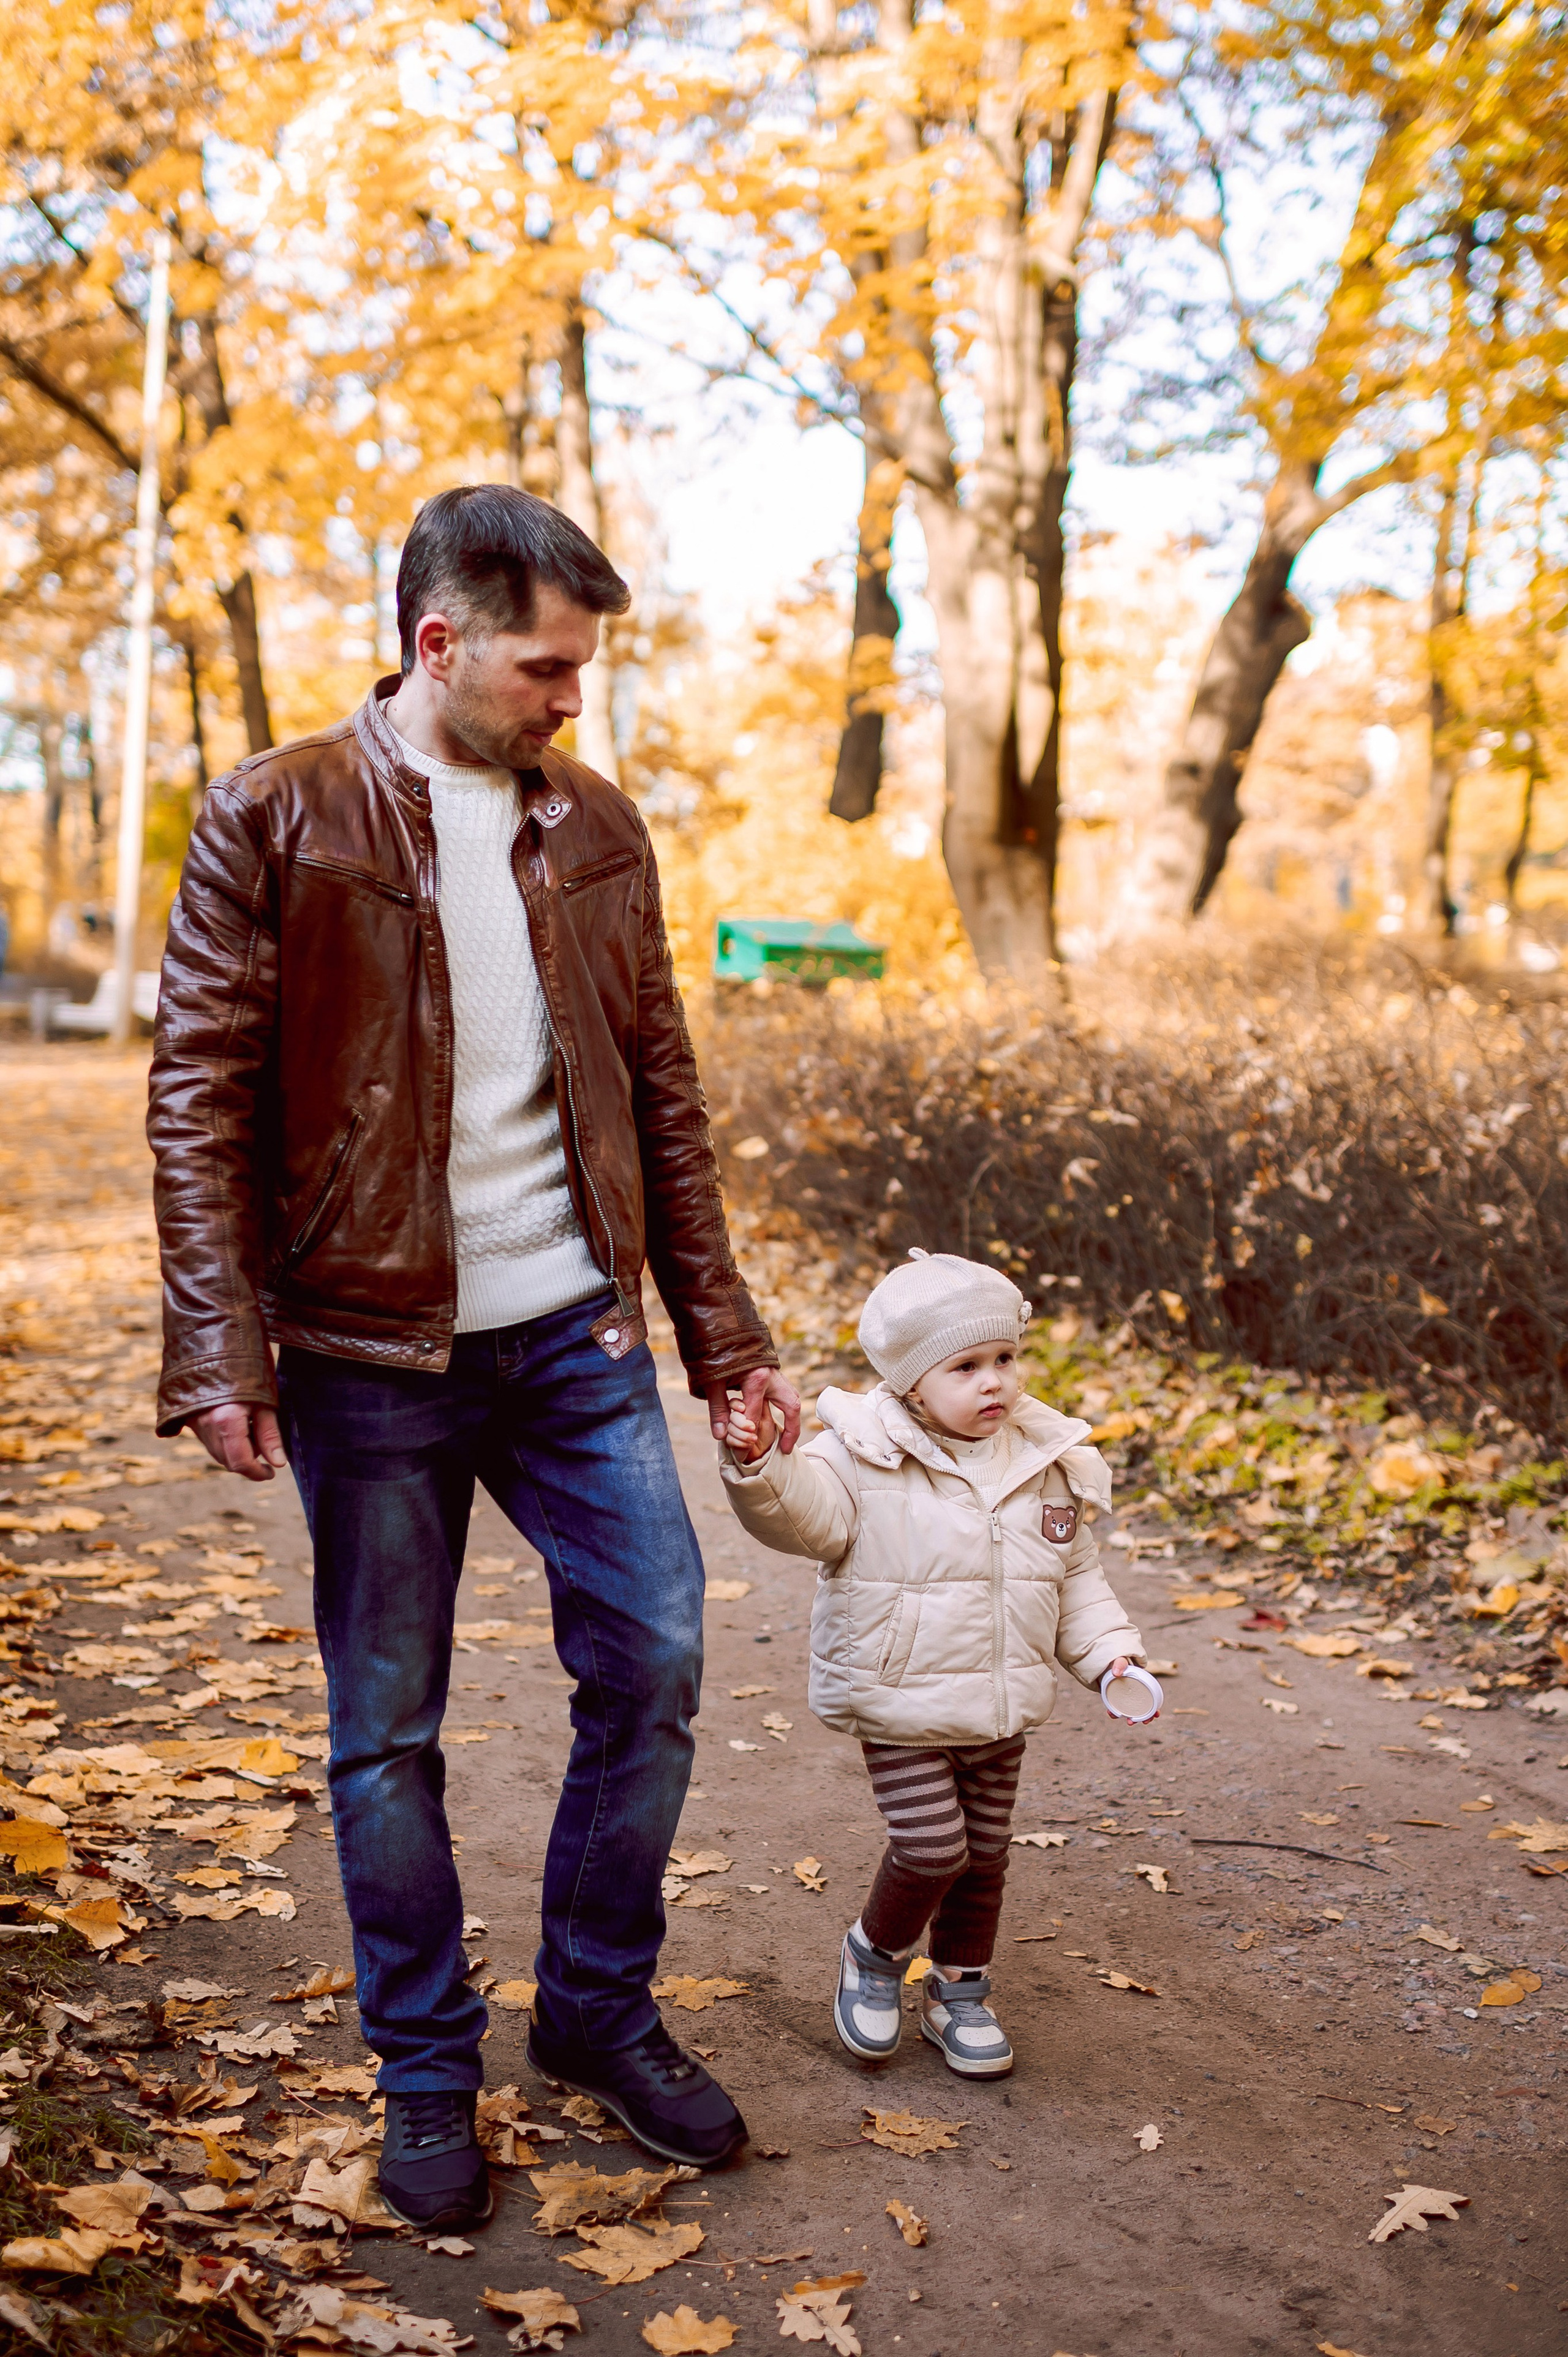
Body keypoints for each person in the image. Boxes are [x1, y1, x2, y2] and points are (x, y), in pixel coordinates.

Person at [147, 484, 799, 2230]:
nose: (571, 699)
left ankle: (591, 2012)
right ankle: (428, 2075)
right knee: (387, 1734)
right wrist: (222, 1343)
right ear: (441, 643)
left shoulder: (596, 827)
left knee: (655, 1661)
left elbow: (662, 1088)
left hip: (575, 1334)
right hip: (368, 1352)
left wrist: (723, 1337)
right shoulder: (274, 815)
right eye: (547, 668)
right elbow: (198, 1094)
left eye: (581, 668)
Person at [718, 1249, 1147, 2079]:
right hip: (903, 1702)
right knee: (932, 1846)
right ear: (913, 1384)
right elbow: (803, 1520)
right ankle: (873, 1957)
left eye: (1005, 1360)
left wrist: (1110, 1656)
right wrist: (761, 1464)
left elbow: (1076, 1578)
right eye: (966, 1367)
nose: (995, 1382)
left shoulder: (1043, 1460)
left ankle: (960, 1989)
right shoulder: (862, 1456)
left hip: (1001, 1706)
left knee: (986, 1854)